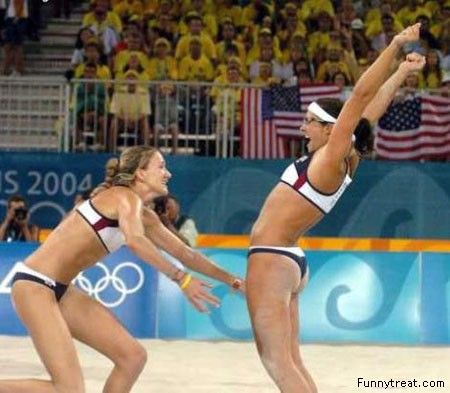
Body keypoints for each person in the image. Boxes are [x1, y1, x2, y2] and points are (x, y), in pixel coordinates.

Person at [246, 24, 425, 393]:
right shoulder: (344, 156)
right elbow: (368, 113)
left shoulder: (329, 159)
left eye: (310, 121)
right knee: (291, 361)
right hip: (288, 258)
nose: (303, 127)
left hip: (272, 257)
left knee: (278, 363)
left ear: (331, 130)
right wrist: (402, 72)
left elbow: (360, 97)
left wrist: (393, 47)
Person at [0, 146, 244, 393]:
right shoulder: (122, 197)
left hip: (60, 290)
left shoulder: (144, 215)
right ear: (140, 173)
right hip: (35, 285)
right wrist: (181, 279)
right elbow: (135, 241)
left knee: (132, 357)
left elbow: (186, 254)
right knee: (68, 389)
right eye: (161, 166)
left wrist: (233, 280)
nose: (168, 173)